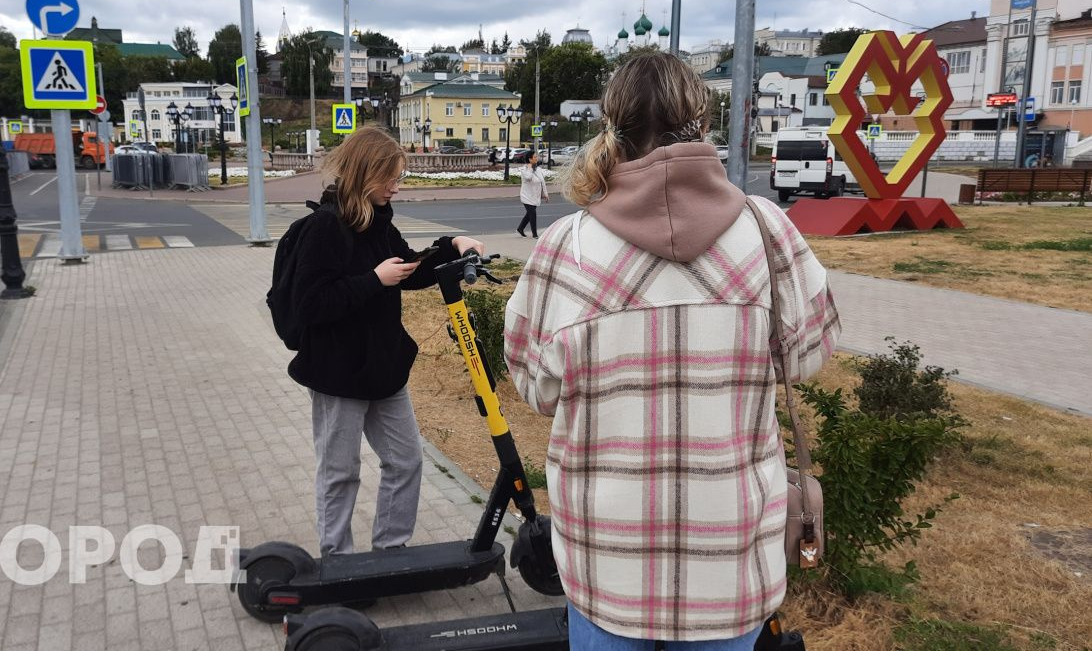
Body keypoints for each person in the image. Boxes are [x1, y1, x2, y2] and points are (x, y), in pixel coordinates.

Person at [503, 51, 841, 650]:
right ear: (704, 122)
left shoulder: (565, 249)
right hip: (731, 561)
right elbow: (810, 353)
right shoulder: (768, 232)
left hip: (606, 561)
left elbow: (535, 388)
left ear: (613, 126)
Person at [287, 126, 486, 556]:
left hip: (383, 368)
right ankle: (337, 560)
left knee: (407, 462)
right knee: (340, 472)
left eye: (399, 178)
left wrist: (452, 245)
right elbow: (310, 304)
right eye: (390, 179)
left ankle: (389, 553)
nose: (396, 187)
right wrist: (372, 281)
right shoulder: (326, 227)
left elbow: (408, 272)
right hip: (338, 372)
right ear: (364, 173)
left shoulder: (380, 221)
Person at [516, 150, 549, 237]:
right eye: (535, 157)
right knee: (532, 214)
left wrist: (545, 194)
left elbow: (542, 182)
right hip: (526, 196)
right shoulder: (524, 170)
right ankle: (535, 234)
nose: (537, 158)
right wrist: (530, 167)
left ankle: (520, 228)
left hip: (535, 196)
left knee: (529, 214)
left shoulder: (538, 169)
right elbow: (528, 177)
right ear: (530, 159)